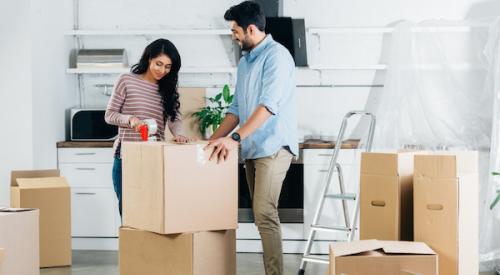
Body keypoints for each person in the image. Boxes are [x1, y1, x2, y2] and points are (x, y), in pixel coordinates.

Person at [205, 2, 298, 274]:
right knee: (261, 216)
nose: (232, 35)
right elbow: (236, 110)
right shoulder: (245, 62)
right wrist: (212, 140)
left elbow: (268, 106)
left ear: (251, 29)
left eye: (235, 31)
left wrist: (232, 140)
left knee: (265, 213)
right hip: (252, 147)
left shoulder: (277, 57)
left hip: (274, 145)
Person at [105, 38, 190, 216]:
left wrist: (180, 135)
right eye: (159, 64)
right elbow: (110, 115)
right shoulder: (126, 80)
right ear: (149, 58)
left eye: (168, 67)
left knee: (152, 212)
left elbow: (175, 119)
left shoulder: (167, 89)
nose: (162, 70)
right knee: (129, 211)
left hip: (154, 158)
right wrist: (131, 120)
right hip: (126, 158)